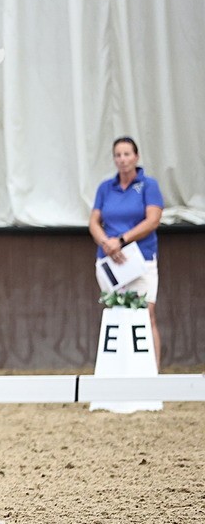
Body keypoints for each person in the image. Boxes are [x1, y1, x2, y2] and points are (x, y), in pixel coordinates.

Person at [88, 136, 164, 368]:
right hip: (110, 262)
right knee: (118, 315)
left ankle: (151, 372)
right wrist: (106, 243)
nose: (122, 160)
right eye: (118, 155)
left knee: (145, 314)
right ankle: (119, 370)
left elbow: (153, 220)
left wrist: (122, 240)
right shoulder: (105, 187)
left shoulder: (148, 185)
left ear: (136, 157)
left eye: (127, 154)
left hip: (140, 259)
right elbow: (94, 221)